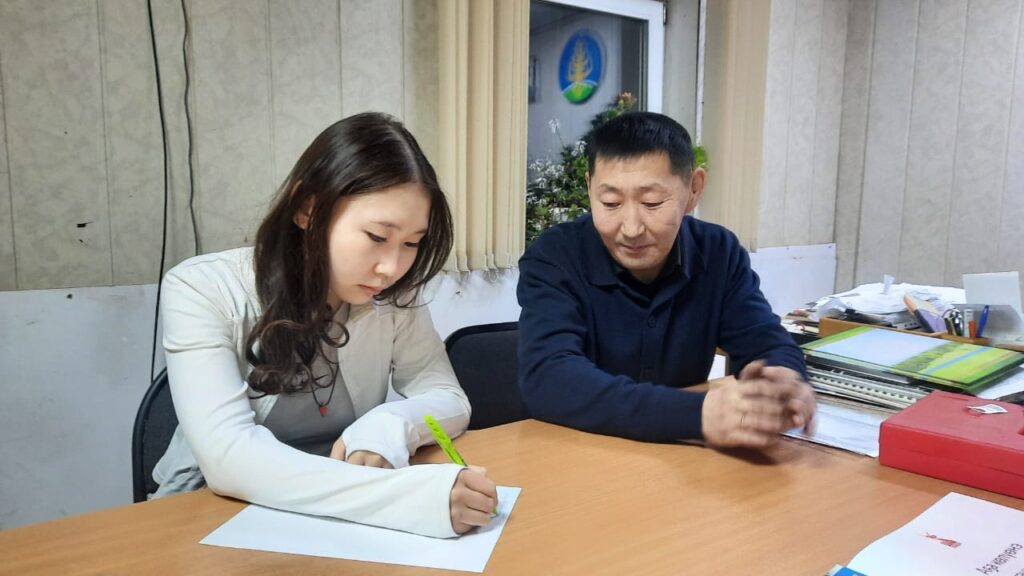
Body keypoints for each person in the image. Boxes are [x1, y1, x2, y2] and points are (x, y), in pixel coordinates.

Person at [152, 112, 496, 538]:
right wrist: (407, 499)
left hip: (342, 520)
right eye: (376, 237)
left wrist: (389, 424)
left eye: (411, 243)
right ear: (308, 209)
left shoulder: (393, 296)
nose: (391, 267)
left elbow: (448, 398)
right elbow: (228, 458)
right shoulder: (203, 288)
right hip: (213, 513)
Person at [517, 112, 816, 449]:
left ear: (694, 189)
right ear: (589, 188)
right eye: (610, 203)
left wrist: (784, 380)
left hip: (677, 459)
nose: (631, 228)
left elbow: (766, 341)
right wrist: (697, 415)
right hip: (578, 452)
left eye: (652, 203)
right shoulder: (555, 256)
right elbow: (548, 378)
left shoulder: (718, 252)